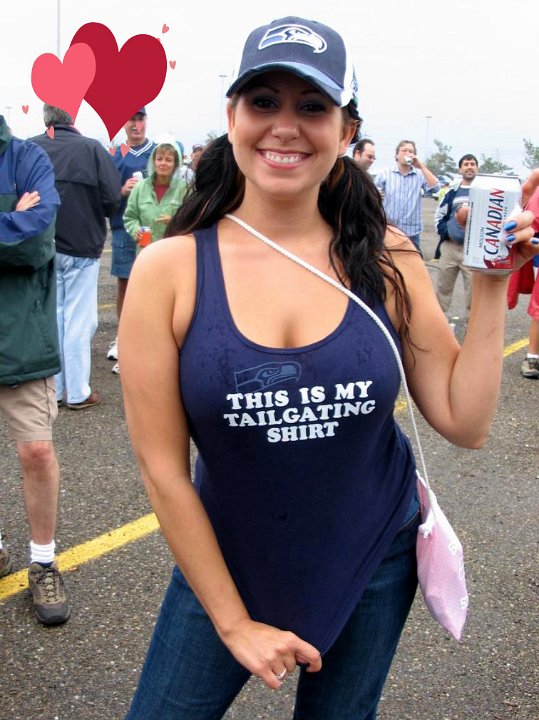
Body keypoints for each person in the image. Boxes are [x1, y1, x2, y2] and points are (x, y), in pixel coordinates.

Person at [119, 16, 537, 720]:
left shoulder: (386, 256)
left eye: (312, 106)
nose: (285, 126)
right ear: (232, 117)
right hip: (227, 563)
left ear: (346, 131)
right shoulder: (171, 271)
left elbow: (464, 422)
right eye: (263, 102)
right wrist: (233, 623)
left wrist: (492, 282)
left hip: (374, 559)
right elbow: (162, 468)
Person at [0, 114, 71, 625]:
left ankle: (43, 561)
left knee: (37, 451)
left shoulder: (28, 158)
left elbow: (36, 240)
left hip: (22, 334)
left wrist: (20, 222)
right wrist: (10, 217)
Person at [32, 105, 121, 408]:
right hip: (82, 246)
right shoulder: (91, 149)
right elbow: (113, 199)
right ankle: (78, 392)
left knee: (55, 318)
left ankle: (55, 389)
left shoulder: (31, 148)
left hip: (43, 246)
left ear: (46, 118)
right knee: (78, 321)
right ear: (71, 116)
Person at [107, 107, 155, 371]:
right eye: (131, 119)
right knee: (125, 283)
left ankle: (149, 339)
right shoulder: (114, 155)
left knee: (154, 285)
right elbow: (105, 195)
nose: (136, 124)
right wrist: (121, 191)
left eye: (140, 118)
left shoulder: (158, 152)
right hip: (123, 228)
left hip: (154, 230)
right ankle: (122, 337)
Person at [433, 154, 479, 324]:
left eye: (472, 164)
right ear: (460, 169)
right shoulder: (452, 192)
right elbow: (439, 217)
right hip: (450, 249)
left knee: (474, 292)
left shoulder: (483, 193)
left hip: (472, 252)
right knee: (442, 288)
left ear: (477, 168)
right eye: (466, 164)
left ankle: (472, 325)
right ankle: (438, 323)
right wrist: (448, 232)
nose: (469, 167)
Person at [374, 139, 439, 250]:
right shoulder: (385, 174)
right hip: (389, 230)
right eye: (404, 150)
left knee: (413, 260)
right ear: (397, 155)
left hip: (412, 233)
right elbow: (373, 197)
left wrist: (421, 166)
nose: (408, 153)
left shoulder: (420, 175)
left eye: (411, 151)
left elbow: (435, 188)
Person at [124, 138, 186, 248]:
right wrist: (136, 230)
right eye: (159, 159)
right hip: (145, 251)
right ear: (154, 161)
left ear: (175, 164)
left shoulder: (184, 190)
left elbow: (193, 220)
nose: (163, 163)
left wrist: (175, 222)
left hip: (174, 251)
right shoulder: (139, 188)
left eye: (168, 160)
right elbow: (130, 217)